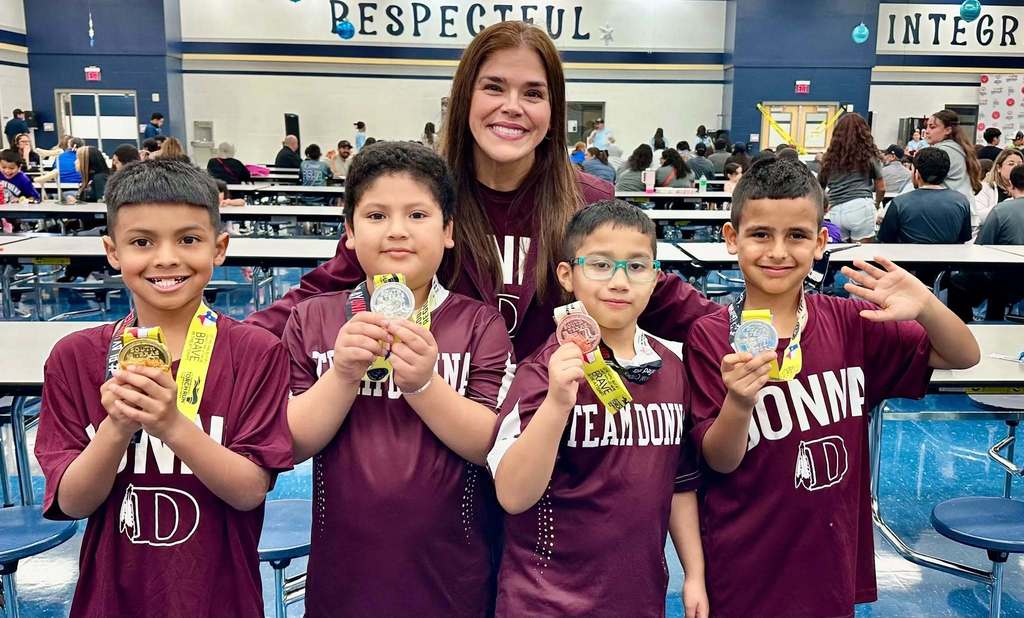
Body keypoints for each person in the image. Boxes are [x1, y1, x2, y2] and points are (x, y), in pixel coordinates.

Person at [247, 20, 715, 367]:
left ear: (553, 110)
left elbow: (663, 297)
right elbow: (320, 292)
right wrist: (224, 344)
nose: (512, 107)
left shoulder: (588, 201)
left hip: (548, 433)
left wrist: (748, 331)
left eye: (533, 93)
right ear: (465, 97)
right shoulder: (417, 201)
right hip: (440, 432)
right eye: (494, 87)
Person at [684, 157, 979, 618]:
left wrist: (925, 304)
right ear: (731, 238)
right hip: (744, 566)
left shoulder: (851, 323)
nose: (778, 252)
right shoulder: (710, 336)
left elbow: (963, 355)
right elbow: (719, 459)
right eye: (760, 234)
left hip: (830, 561)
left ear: (821, 242)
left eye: (797, 236)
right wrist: (739, 402)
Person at [34, 159, 293, 617]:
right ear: (112, 251)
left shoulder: (256, 353)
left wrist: (172, 425)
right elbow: (72, 503)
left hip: (220, 599)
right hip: (112, 601)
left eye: (188, 239)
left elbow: (250, 490)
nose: (167, 258)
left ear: (219, 247)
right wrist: (116, 428)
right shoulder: (74, 359)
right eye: (142, 242)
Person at [282, 141, 514, 617]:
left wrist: (425, 387)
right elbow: (292, 444)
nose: (397, 231)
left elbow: (491, 447)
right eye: (376, 216)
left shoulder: (480, 324)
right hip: (343, 577)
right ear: (349, 232)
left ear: (448, 231)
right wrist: (342, 375)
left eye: (417, 215)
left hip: (454, 577)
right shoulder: (312, 320)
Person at [489, 200, 707, 618]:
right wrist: (557, 404)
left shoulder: (672, 369)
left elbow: (679, 483)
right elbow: (513, 495)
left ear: (655, 276)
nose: (619, 282)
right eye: (601, 265)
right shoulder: (542, 371)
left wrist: (693, 573)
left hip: (638, 600)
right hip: (544, 603)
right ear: (567, 275)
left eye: (636, 266)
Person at [949, 165, 1024, 321]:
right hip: (1012, 280)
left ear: (1010, 184)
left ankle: (967, 327)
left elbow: (981, 247)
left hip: (1006, 279)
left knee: (959, 281)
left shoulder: (1001, 211)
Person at [878, 147, 971, 244]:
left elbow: (886, 239)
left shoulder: (899, 203)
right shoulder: (961, 201)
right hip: (949, 254)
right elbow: (964, 237)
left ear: (917, 173)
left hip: (908, 253)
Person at [817, 113, 885, 242]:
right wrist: (876, 205)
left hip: (835, 210)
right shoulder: (869, 155)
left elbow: (819, 188)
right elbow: (881, 188)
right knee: (862, 253)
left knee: (841, 252)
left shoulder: (828, 158)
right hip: (861, 206)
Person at [925, 109, 982, 205]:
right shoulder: (958, 148)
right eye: (926, 127)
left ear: (948, 130)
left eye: (932, 127)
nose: (927, 131)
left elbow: (925, 182)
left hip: (951, 207)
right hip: (961, 205)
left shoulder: (943, 151)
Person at [974, 148, 1023, 237]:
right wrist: (1007, 205)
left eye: (1020, 164)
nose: (1016, 167)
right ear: (998, 168)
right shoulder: (986, 188)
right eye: (1011, 164)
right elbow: (978, 217)